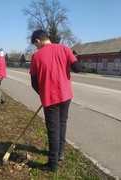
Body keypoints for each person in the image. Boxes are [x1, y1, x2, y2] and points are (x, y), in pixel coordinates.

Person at [30, 30, 82, 172]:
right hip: (65, 95)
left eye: (36, 45)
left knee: (53, 129)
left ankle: (53, 164)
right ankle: (60, 154)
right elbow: (77, 68)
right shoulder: (64, 48)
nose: (36, 47)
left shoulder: (36, 56)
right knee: (62, 124)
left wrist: (43, 94)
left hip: (50, 98)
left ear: (37, 41)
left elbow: (34, 82)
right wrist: (74, 58)